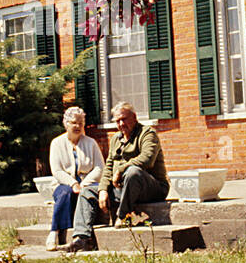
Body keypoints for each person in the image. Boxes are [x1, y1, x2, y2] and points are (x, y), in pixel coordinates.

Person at [66, 101, 169, 252]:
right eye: (117, 121)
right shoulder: (116, 139)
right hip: (124, 188)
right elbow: (108, 167)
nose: (121, 124)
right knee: (87, 191)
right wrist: (102, 190)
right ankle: (82, 238)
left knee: (133, 172)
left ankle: (123, 215)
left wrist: (120, 170)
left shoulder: (148, 134)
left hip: (152, 188)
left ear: (134, 117)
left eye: (124, 119)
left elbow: (147, 159)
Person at [46, 106, 104, 250]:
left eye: (80, 123)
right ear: (66, 124)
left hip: (88, 183)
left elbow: (99, 167)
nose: (77, 126)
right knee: (65, 193)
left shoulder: (91, 143)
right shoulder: (57, 143)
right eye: (73, 123)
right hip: (64, 183)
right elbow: (57, 170)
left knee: (90, 192)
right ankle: (54, 231)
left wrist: (85, 183)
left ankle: (81, 234)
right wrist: (72, 183)